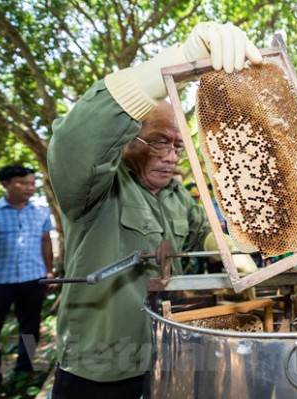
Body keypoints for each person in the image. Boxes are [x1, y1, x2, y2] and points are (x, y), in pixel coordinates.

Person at [47, 22, 261, 398]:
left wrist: (228, 247)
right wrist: (174, 63)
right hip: (100, 370)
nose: (170, 156)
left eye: (178, 146)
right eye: (160, 140)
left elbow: (200, 233)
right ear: (126, 140)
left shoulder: (177, 195)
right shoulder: (95, 190)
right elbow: (75, 141)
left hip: (168, 355)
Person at [0, 166, 53, 397]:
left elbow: (46, 241)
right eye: (22, 183)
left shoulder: (40, 210)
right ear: (5, 184)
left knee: (30, 328)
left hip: (31, 279)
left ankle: (24, 371)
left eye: (32, 182)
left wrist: (49, 271)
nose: (29, 187)